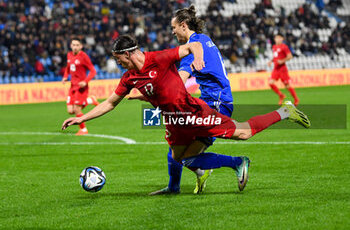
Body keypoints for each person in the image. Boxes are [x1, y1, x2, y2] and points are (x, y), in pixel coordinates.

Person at [62, 35, 311, 194]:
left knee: (243, 132)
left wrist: (199, 59)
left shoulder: (158, 58)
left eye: (119, 59)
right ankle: (227, 166)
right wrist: (82, 118)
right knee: (183, 159)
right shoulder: (129, 78)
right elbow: (109, 103)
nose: (119, 64)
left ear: (128, 53)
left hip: (195, 113)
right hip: (175, 121)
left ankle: (284, 111)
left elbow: (193, 45)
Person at [149, 6, 234, 195]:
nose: (172, 32)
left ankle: (236, 163)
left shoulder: (192, 46)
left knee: (185, 153)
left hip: (216, 103)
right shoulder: (204, 39)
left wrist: (154, 92)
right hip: (212, 99)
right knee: (176, 143)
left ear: (183, 25)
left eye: (174, 28)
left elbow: (179, 81)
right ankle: (177, 185)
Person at [62, 37, 99, 135]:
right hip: (72, 86)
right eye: (73, 45)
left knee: (76, 109)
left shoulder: (84, 56)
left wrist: (85, 81)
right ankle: (90, 100)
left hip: (81, 87)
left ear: (81, 46)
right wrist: (65, 76)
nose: (75, 47)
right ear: (70, 46)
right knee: (70, 111)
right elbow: (68, 68)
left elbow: (93, 71)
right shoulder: (69, 55)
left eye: (77, 45)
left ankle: (83, 129)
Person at [268, 34, 299, 106]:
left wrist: (282, 61)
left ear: (282, 39)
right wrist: (271, 61)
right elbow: (275, 56)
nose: (277, 39)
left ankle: (296, 99)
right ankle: (281, 95)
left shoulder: (284, 47)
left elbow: (290, 56)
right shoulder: (274, 47)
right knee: (271, 83)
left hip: (282, 69)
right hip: (276, 68)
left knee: (287, 86)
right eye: (276, 38)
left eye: (279, 38)